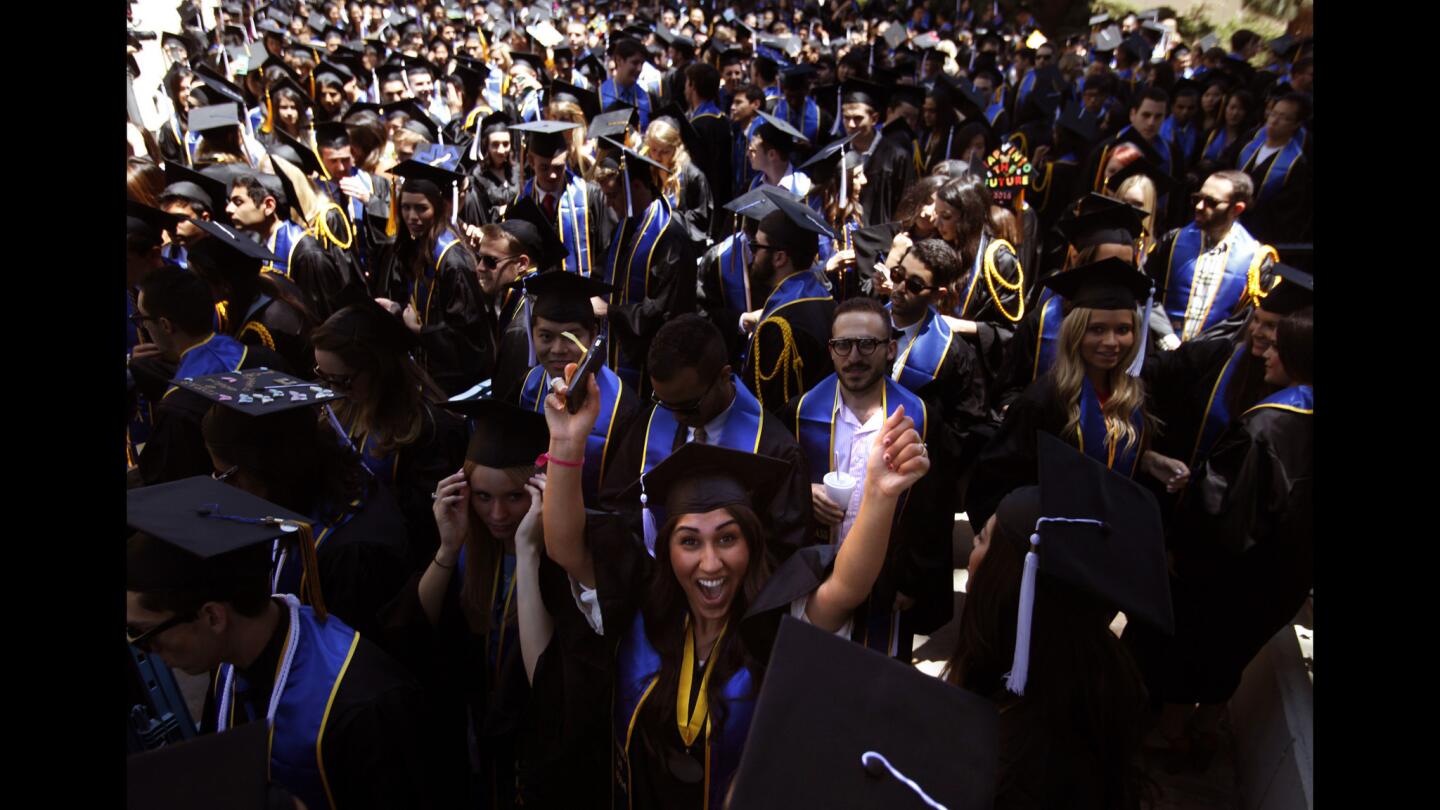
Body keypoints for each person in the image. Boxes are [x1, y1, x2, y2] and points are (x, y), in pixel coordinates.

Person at [540, 368, 929, 810]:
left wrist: (880, 494)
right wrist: (568, 443)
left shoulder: (776, 620)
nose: (711, 563)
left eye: (727, 538)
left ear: (752, 543)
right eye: (689, 541)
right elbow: (567, 549)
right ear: (666, 550)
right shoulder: (642, 611)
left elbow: (844, 589)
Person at [126, 476, 435, 810]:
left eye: (145, 634)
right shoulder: (230, 667)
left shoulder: (363, 705)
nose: (147, 649)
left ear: (214, 617)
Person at [1130, 299, 1312, 771]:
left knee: (1191, 647)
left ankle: (1173, 736)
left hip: (1226, 575)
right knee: (1230, 655)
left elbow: (1221, 516)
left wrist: (1180, 545)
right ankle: (1205, 727)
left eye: (1280, 344)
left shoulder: (1265, 427)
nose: (1267, 351)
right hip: (1283, 578)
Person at [947, 432, 1173, 810]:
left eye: (981, 540)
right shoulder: (1090, 673)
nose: (972, 552)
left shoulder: (1019, 765)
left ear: (1012, 583)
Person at [381, 400, 560, 806]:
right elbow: (408, 633)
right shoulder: (468, 550)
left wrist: (528, 550)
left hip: (534, 746)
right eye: (482, 496)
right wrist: (447, 545)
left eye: (515, 496)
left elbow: (549, 679)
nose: (497, 514)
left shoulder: (561, 560)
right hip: (471, 740)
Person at [780, 297, 954, 661]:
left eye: (867, 344)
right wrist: (802, 493)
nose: (854, 356)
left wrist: (912, 581)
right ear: (831, 350)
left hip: (888, 579)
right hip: (815, 579)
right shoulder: (797, 414)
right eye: (843, 345)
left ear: (890, 349)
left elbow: (934, 507)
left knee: (874, 684)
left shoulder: (920, 418)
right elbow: (771, 490)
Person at [966, 259, 1187, 530]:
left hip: (1110, 541)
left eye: (1123, 330)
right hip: (1054, 546)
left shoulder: (1133, 395)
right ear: (1076, 332)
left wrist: (1147, 461)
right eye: (1097, 329)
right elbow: (993, 480)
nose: (1111, 342)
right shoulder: (1044, 399)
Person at [599, 314, 816, 561]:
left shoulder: (777, 453)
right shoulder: (652, 422)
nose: (677, 416)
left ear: (724, 377)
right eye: (663, 402)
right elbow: (616, 506)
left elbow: (787, 553)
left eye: (689, 406)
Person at [311, 299, 467, 569]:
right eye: (323, 376)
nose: (332, 389)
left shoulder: (430, 428)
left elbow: (427, 526)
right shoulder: (341, 404)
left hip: (398, 564)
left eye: (342, 381)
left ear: (378, 368)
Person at [130, 265, 287, 486]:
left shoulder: (179, 406)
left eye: (142, 319)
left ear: (165, 325)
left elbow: (170, 485)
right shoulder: (266, 360)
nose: (143, 327)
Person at [370, 145, 494, 397]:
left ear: (438, 207)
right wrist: (396, 310)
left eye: (421, 208)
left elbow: (468, 340)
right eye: (405, 207)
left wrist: (419, 331)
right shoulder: (420, 249)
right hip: (429, 376)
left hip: (454, 387)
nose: (411, 216)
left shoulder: (453, 261)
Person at [514, 271, 640, 506]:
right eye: (546, 336)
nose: (558, 349)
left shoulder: (623, 406)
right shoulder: (526, 386)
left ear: (593, 336)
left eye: (571, 337)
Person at [594, 138, 698, 395]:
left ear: (636, 187)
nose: (608, 204)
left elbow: (664, 312)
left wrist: (611, 311)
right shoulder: (626, 226)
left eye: (612, 195)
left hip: (655, 372)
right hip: (619, 355)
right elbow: (603, 273)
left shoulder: (669, 237)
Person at [1148, 170, 1276, 348]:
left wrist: (1198, 352)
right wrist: (1166, 335)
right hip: (1161, 351)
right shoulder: (1172, 241)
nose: (1199, 206)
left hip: (1213, 361)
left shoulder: (1255, 259)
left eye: (1211, 202)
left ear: (1236, 209)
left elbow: (1244, 321)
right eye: (1197, 198)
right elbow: (1146, 291)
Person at [739, 193, 836, 411]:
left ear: (780, 257)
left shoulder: (779, 326)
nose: (752, 254)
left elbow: (768, 404)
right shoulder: (827, 300)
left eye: (757, 246)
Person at [185, 218, 318, 375]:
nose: (191, 284)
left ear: (225, 286)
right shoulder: (269, 279)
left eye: (197, 278)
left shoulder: (260, 332)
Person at [223, 171, 354, 321]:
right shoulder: (264, 244)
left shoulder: (307, 254)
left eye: (238, 202)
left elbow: (325, 317)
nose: (229, 209)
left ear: (268, 205)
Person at [511, 120, 612, 279]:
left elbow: (607, 250)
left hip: (584, 295)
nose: (552, 175)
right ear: (531, 161)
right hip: (541, 298)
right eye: (544, 167)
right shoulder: (522, 202)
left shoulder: (591, 196)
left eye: (558, 167)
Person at [1230, 92, 1312, 245]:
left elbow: (1289, 212)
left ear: (1295, 125)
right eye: (1273, 114)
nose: (1275, 120)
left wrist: (1256, 206)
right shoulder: (1248, 143)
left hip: (1260, 236)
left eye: (1284, 118)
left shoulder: (1296, 164)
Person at [835, 80, 919, 227]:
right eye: (846, 118)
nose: (850, 124)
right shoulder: (838, 153)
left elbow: (906, 205)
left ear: (874, 118)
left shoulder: (897, 156)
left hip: (881, 241)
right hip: (845, 237)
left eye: (858, 118)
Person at [644, 114, 714, 244]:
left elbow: (700, 219)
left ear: (676, 148)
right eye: (653, 150)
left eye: (664, 151)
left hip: (681, 246)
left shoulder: (693, 175)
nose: (657, 157)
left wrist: (666, 220)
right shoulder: (647, 170)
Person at [683, 61, 735, 228]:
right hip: (724, 197)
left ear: (692, 86)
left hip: (704, 202)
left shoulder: (697, 125)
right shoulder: (723, 119)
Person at [746, 111, 813, 197]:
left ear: (772, 155)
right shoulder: (754, 185)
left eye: (753, 151)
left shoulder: (805, 188)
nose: (748, 154)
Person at [600, 37, 656, 129]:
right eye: (634, 63)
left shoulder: (649, 99)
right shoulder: (600, 96)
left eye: (641, 64)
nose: (639, 69)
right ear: (619, 60)